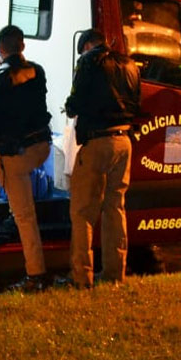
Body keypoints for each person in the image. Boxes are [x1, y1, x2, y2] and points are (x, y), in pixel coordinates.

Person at [0, 25, 53, 291]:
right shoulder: (37, 71)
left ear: (1, 49)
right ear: (23, 46)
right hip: (41, 147)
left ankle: (35, 275)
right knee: (22, 197)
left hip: (16, 153)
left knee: (25, 217)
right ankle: (12, 214)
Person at [63, 28, 141, 288]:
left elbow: (75, 103)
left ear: (86, 46)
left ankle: (81, 277)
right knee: (115, 208)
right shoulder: (130, 64)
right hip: (124, 142)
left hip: (97, 142)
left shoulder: (88, 62)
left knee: (83, 212)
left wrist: (70, 105)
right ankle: (114, 273)